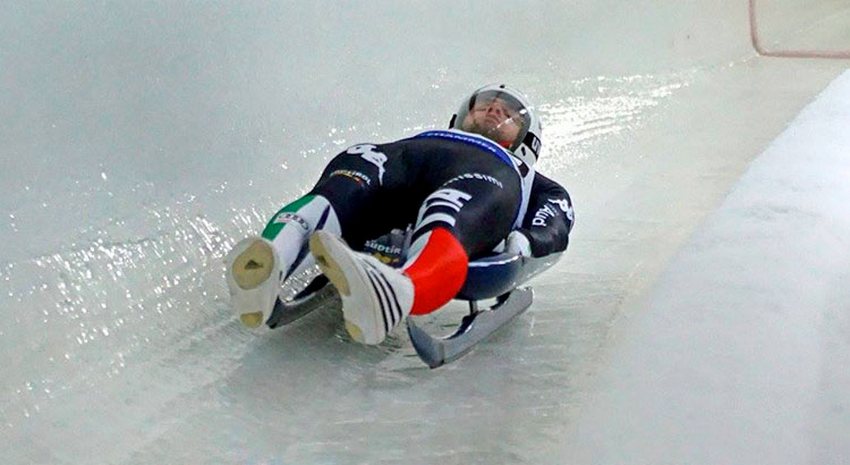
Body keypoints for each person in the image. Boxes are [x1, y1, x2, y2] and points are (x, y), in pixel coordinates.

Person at [225, 84, 574, 345]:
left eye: (508, 113)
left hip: (487, 173)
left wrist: (524, 243)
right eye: (484, 105)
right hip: (405, 155)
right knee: (347, 184)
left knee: (449, 209)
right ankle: (273, 259)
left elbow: (554, 227)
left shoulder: (534, 184)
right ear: (459, 117)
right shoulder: (431, 136)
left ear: (528, 140)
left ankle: (400, 291)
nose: (493, 109)